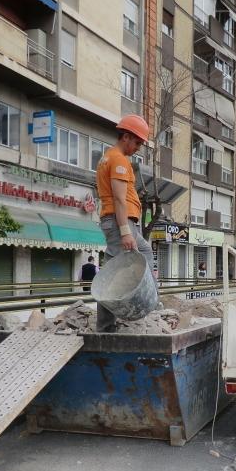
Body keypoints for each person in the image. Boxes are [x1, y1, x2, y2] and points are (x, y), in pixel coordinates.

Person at [95, 114, 155, 332]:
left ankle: (106, 324)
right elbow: (119, 199)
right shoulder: (118, 160)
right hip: (120, 221)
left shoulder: (109, 157)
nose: (138, 147)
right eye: (137, 142)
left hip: (118, 221)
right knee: (140, 256)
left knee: (115, 269)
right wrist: (125, 232)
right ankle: (147, 305)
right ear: (126, 137)